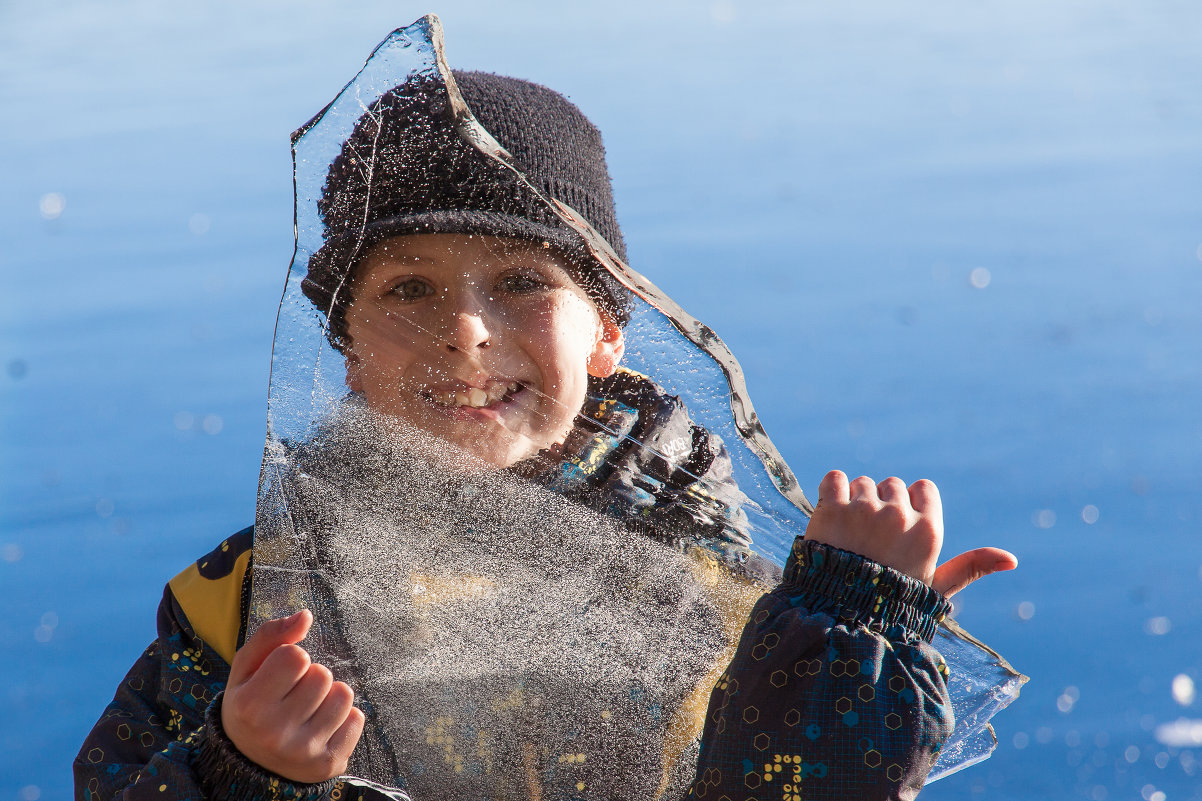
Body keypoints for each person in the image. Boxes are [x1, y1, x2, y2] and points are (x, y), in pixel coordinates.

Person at [75, 65, 1016, 801]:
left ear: (608, 331)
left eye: (523, 280)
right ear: (348, 350)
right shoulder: (255, 607)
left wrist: (854, 634)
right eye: (408, 288)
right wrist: (246, 771)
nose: (467, 329)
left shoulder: (721, 578)